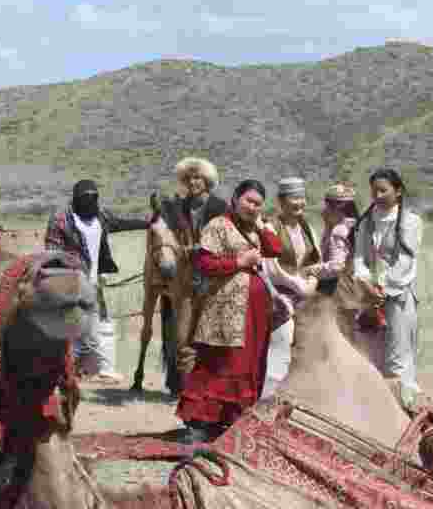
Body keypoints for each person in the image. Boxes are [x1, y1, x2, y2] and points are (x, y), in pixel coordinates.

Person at [176, 180, 283, 443]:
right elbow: (203, 262)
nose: (253, 207)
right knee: (222, 360)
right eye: (248, 201)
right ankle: (200, 422)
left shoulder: (254, 228)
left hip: (254, 310)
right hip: (225, 308)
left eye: (258, 204)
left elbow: (275, 248)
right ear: (235, 198)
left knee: (248, 362)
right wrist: (239, 261)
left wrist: (261, 225)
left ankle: (231, 419)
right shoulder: (218, 225)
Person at [44, 179, 152, 383]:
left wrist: (149, 222)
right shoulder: (61, 220)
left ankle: (100, 368)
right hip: (71, 282)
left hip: (93, 283)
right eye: (85, 198)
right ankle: (67, 371)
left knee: (99, 325)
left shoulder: (100, 216)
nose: (89, 202)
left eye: (93, 198)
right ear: (75, 199)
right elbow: (51, 253)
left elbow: (122, 223)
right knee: (74, 328)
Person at [350, 168, 424, 408]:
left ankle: (404, 409)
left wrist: (381, 288)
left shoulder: (411, 221)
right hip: (368, 295)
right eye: (374, 191)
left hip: (397, 297)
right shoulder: (366, 222)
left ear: (398, 191)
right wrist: (364, 281)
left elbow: (405, 262)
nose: (378, 195)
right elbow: (359, 257)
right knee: (371, 354)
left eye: (383, 190)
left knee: (398, 357)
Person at [262, 177, 320, 398]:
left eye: (302, 198)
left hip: (305, 296)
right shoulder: (270, 227)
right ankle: (267, 401)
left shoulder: (307, 228)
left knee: (305, 351)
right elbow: (271, 267)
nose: (300, 203)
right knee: (279, 351)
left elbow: (315, 261)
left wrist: (311, 284)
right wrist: (298, 285)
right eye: (294, 198)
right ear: (281, 201)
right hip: (279, 298)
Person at [302, 181, 360, 285]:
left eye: (327, 207)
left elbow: (336, 266)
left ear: (337, 209)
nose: (323, 211)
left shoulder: (338, 231)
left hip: (338, 288)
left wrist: (309, 270)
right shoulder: (353, 227)